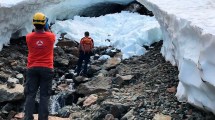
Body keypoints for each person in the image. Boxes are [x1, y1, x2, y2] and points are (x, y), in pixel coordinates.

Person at [24, 12, 56, 120]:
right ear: (44, 24)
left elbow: (35, 35)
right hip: (47, 69)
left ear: (33, 24)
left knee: (30, 94)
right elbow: (49, 33)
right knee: (44, 96)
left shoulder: (29, 37)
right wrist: (46, 26)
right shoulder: (51, 37)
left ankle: (28, 117)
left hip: (32, 68)